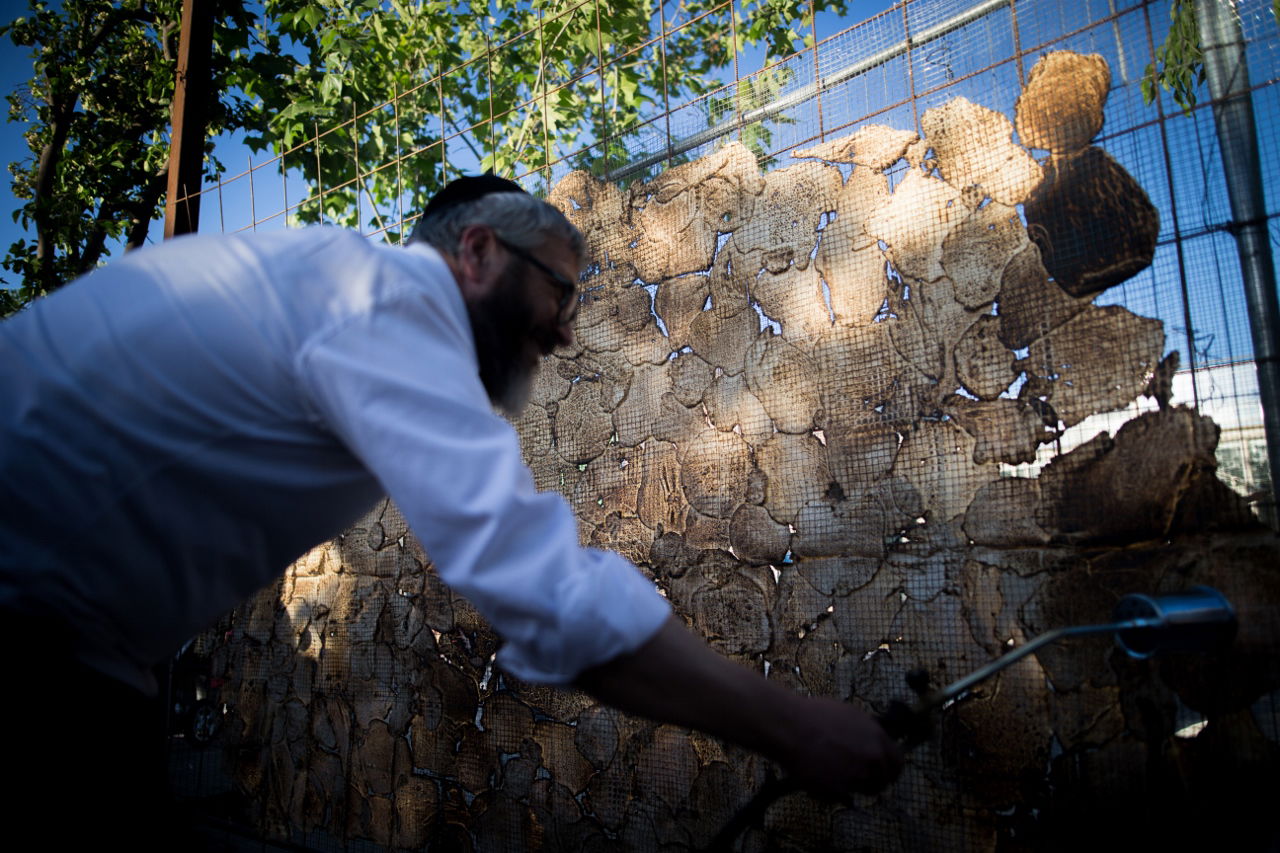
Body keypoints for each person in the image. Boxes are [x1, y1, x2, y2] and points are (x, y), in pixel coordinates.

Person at [0, 175, 901, 841]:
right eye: (559, 288)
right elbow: (546, 590)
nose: (565, 327)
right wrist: (798, 726)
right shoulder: (394, 302)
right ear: (476, 252)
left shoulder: (331, 285)